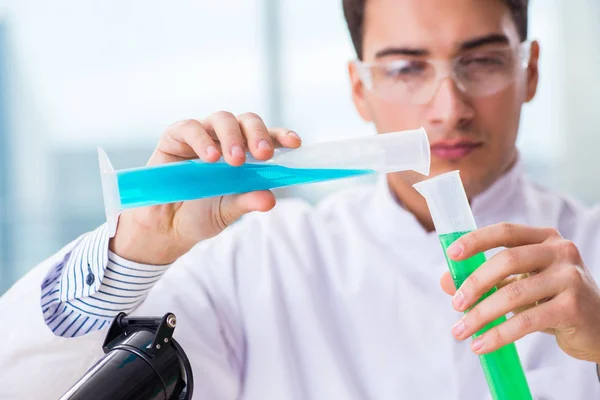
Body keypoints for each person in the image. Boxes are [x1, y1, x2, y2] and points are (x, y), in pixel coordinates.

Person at [2, 0, 600, 398]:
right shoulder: (261, 262)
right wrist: (136, 251)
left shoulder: (591, 254)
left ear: (531, 71)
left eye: (484, 61)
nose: (450, 108)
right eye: (404, 69)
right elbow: (23, 382)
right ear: (358, 90)